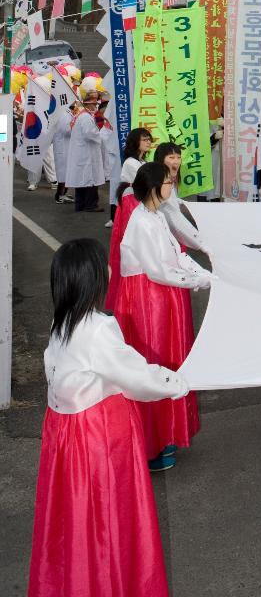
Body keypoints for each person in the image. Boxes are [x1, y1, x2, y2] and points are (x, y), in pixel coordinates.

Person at [28, 238, 187, 597]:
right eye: (105, 266)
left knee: (73, 521)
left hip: (66, 433)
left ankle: (77, 583)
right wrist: (176, 383)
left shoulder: (62, 321)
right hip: (98, 435)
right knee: (109, 520)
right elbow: (137, 378)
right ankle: (110, 583)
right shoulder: (98, 328)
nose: (111, 270)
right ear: (92, 279)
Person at [114, 162, 212, 470]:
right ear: (155, 187)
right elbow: (157, 270)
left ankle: (165, 435)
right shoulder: (141, 221)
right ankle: (151, 442)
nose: (172, 186)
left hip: (162, 298)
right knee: (154, 363)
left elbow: (176, 254)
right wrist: (196, 279)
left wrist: (201, 272)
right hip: (148, 301)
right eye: (168, 182)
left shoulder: (154, 216)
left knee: (171, 360)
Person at [105, 128, 154, 312]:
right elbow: (149, 180)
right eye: (144, 139)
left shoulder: (141, 161)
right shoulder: (131, 163)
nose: (148, 142)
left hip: (137, 205)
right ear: (136, 142)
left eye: (149, 139)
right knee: (131, 250)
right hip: (131, 207)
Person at [64, 89, 106, 212]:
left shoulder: (80, 116)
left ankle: (80, 204)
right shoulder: (86, 117)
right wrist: (102, 135)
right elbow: (90, 134)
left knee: (81, 181)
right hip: (87, 153)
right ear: (88, 104)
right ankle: (90, 205)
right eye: (94, 104)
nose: (95, 106)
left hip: (82, 152)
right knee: (90, 179)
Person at [49, 102, 77, 204]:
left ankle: (62, 194)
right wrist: (76, 124)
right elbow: (66, 130)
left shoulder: (66, 113)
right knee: (63, 173)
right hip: (63, 148)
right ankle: (60, 196)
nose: (76, 103)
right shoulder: (64, 114)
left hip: (65, 147)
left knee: (65, 173)